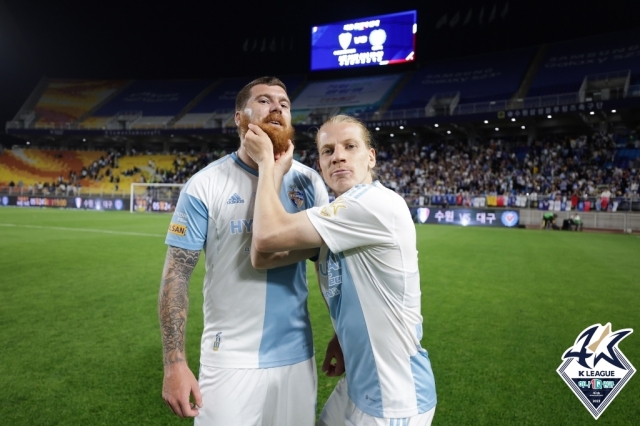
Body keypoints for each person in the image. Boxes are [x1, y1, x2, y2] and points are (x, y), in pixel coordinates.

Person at [245, 114, 437, 426]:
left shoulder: (374, 204)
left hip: (394, 397)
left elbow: (266, 236)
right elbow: (262, 257)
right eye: (328, 151)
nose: (339, 157)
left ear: (370, 157)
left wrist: (268, 163)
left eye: (350, 146)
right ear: (320, 163)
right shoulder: (334, 218)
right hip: (361, 381)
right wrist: (341, 336)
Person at [158, 76, 329, 425]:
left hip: (296, 356)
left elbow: (326, 267)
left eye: (284, 103)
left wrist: (341, 331)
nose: (278, 107)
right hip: (228, 357)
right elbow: (176, 275)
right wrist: (174, 362)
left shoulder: (309, 182)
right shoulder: (205, 184)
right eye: (264, 100)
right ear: (239, 118)